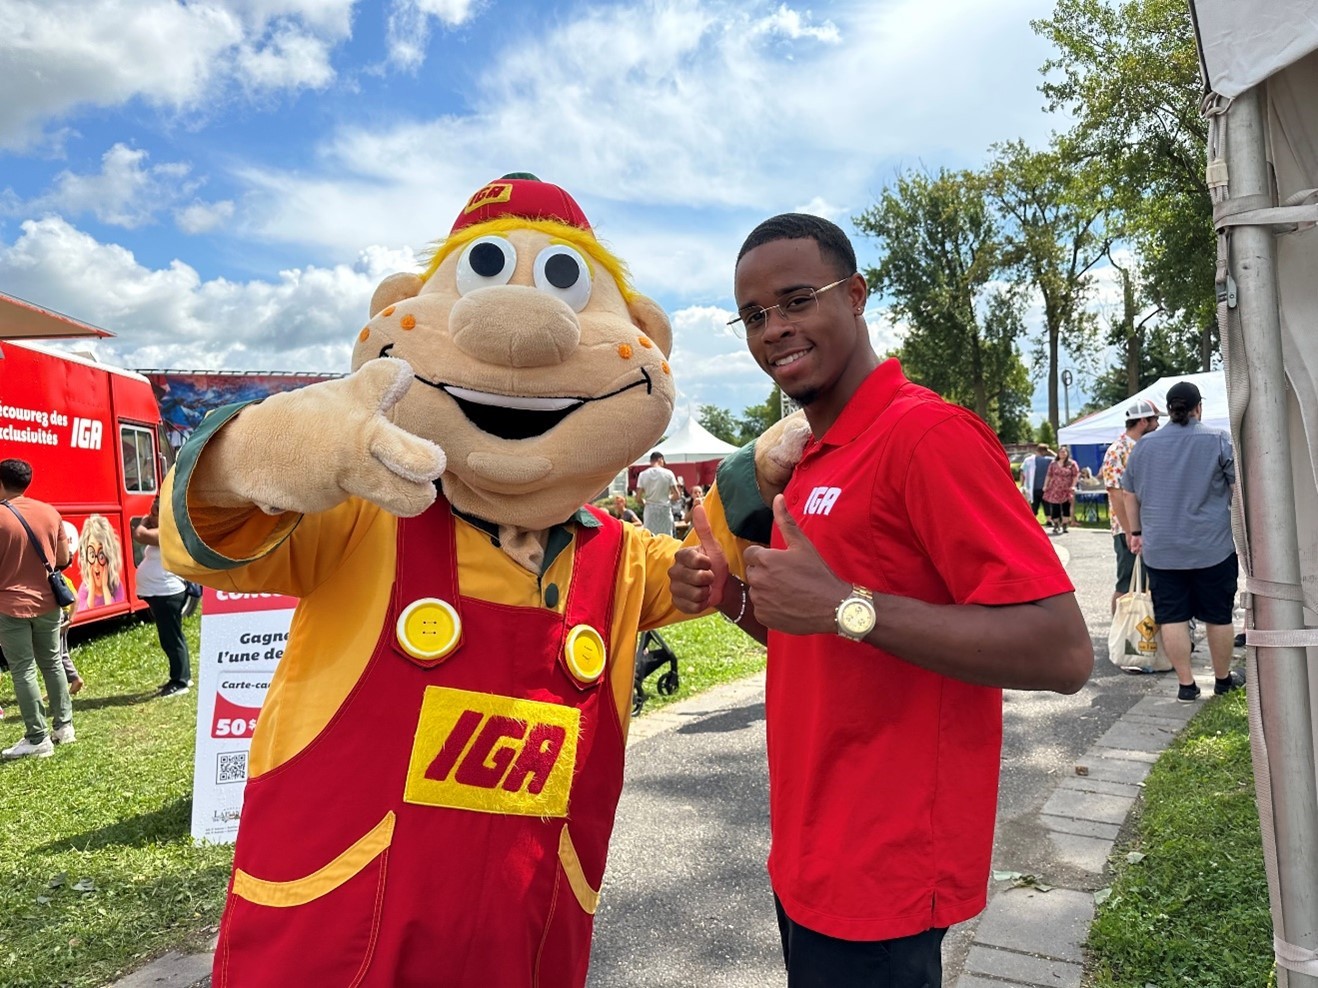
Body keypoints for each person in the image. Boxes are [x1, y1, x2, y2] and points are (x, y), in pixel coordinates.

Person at [669, 213, 1093, 986]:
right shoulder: (809, 458)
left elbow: (1062, 651)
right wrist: (730, 597)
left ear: (857, 294)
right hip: (807, 850)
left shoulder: (927, 436)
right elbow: (816, 636)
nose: (774, 328)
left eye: (797, 300)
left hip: (884, 868)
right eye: (754, 315)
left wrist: (845, 606)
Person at [1121, 380, 1244, 703]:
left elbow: (1128, 493)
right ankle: (1222, 680)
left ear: (1168, 410)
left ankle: (1186, 685)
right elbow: (1238, 490)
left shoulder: (1144, 447)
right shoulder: (1218, 439)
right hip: (1212, 548)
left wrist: (1136, 533)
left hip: (1162, 550)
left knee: (1172, 616)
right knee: (1218, 615)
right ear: (1198, 408)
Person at [0, 458, 75, 759]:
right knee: (53, 662)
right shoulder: (49, 512)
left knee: (23, 670)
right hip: (48, 603)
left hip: (9, 605)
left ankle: (37, 738)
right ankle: (64, 726)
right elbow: (63, 559)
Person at [1100, 399, 1161, 613]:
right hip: (1128, 528)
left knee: (1145, 583)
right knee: (1126, 584)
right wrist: (1129, 531)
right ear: (1143, 421)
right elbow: (1115, 493)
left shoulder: (1143, 446)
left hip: (1146, 527)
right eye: (1155, 420)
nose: (1158, 424)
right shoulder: (1118, 450)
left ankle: (1141, 629)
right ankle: (1120, 628)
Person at [133, 496, 193, 697]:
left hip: (167, 593)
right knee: (173, 637)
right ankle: (183, 675)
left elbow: (140, 535)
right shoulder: (162, 530)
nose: (149, 516)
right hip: (160, 593)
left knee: (171, 639)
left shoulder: (169, 531)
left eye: (154, 513)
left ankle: (180, 682)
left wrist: (143, 522)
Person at [75, 513, 126, 611]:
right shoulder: (84, 589)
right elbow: (84, 614)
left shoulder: (116, 586)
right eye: (92, 555)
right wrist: (92, 590)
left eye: (101, 555)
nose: (96, 563)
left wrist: (105, 587)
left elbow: (115, 612)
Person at [636, 451, 679, 536]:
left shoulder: (643, 475)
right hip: (664, 508)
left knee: (650, 537)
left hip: (650, 509)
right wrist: (668, 498)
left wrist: (644, 502)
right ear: (660, 459)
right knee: (666, 537)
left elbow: (638, 498)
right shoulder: (668, 473)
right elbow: (677, 495)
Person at [1042, 445, 1080, 534]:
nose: (1062, 454)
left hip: (1066, 489)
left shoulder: (1072, 464)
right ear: (1058, 453)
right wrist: (1045, 485)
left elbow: (1075, 475)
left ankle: (1065, 524)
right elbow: (1049, 475)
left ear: (1067, 453)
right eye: (1061, 452)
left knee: (1066, 506)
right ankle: (1056, 524)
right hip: (1054, 488)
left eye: (1064, 452)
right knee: (1055, 507)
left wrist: (1073, 486)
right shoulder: (1053, 464)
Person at [1019, 443, 1055, 521]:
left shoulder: (1028, 460)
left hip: (1032, 487)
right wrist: (1050, 451)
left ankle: (1032, 520)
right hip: (1045, 487)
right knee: (1047, 505)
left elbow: (1022, 473)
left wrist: (1022, 485)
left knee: (1034, 505)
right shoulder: (1048, 460)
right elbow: (1059, 458)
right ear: (1045, 451)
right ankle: (1049, 520)